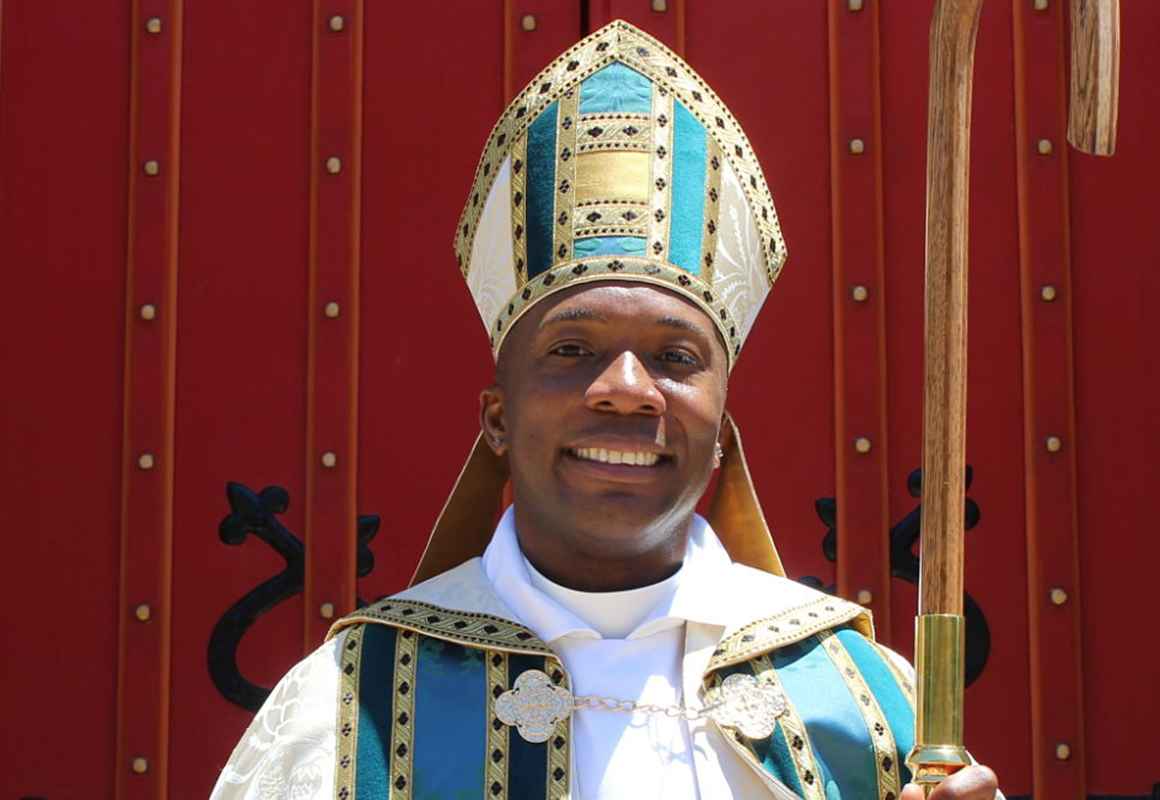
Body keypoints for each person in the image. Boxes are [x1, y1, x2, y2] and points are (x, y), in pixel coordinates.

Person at [210, 20, 1000, 800]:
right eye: (571, 349)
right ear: (497, 421)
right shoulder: (348, 709)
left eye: (675, 358)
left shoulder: (860, 702)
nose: (626, 386)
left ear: (720, 435)